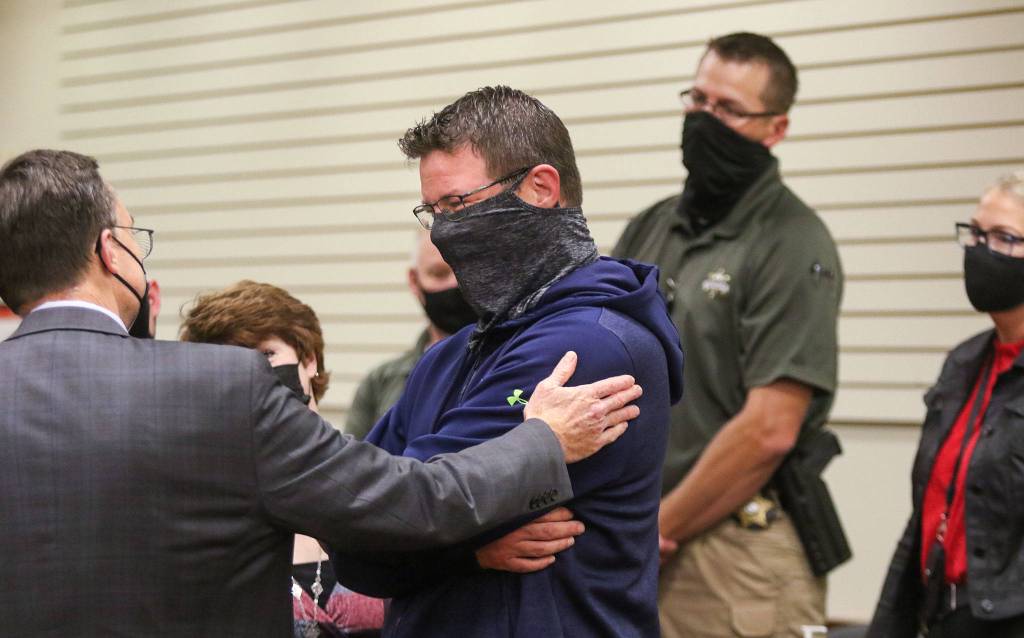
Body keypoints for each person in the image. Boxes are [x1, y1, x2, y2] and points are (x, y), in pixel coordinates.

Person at [0, 149, 644, 635]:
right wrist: (543, 441)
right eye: (134, 236)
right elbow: (405, 500)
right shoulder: (221, 386)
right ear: (111, 252)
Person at [333, 86, 684, 637]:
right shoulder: (448, 357)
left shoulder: (588, 347)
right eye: (432, 212)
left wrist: (419, 549)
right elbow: (353, 528)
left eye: (457, 205)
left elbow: (396, 517)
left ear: (540, 188)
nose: (444, 231)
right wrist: (467, 553)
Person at [612, 32, 845, 637]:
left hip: (731, 553)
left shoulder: (793, 243)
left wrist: (659, 526)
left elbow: (770, 428)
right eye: (698, 100)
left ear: (776, 128)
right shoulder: (652, 226)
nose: (705, 120)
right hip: (635, 543)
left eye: (730, 109)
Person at [180, 280, 385, 637]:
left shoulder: (368, 474)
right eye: (232, 362)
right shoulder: (212, 506)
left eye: (265, 355)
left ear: (309, 359)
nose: (252, 373)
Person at [867, 172, 1024, 638]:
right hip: (944, 614)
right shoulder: (965, 363)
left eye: (1003, 237)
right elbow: (929, 514)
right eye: (975, 234)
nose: (981, 250)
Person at [345, 230, 475, 440]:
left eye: (464, 270)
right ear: (414, 281)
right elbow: (352, 457)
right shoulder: (381, 382)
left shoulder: (511, 362)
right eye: (439, 274)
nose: (454, 284)